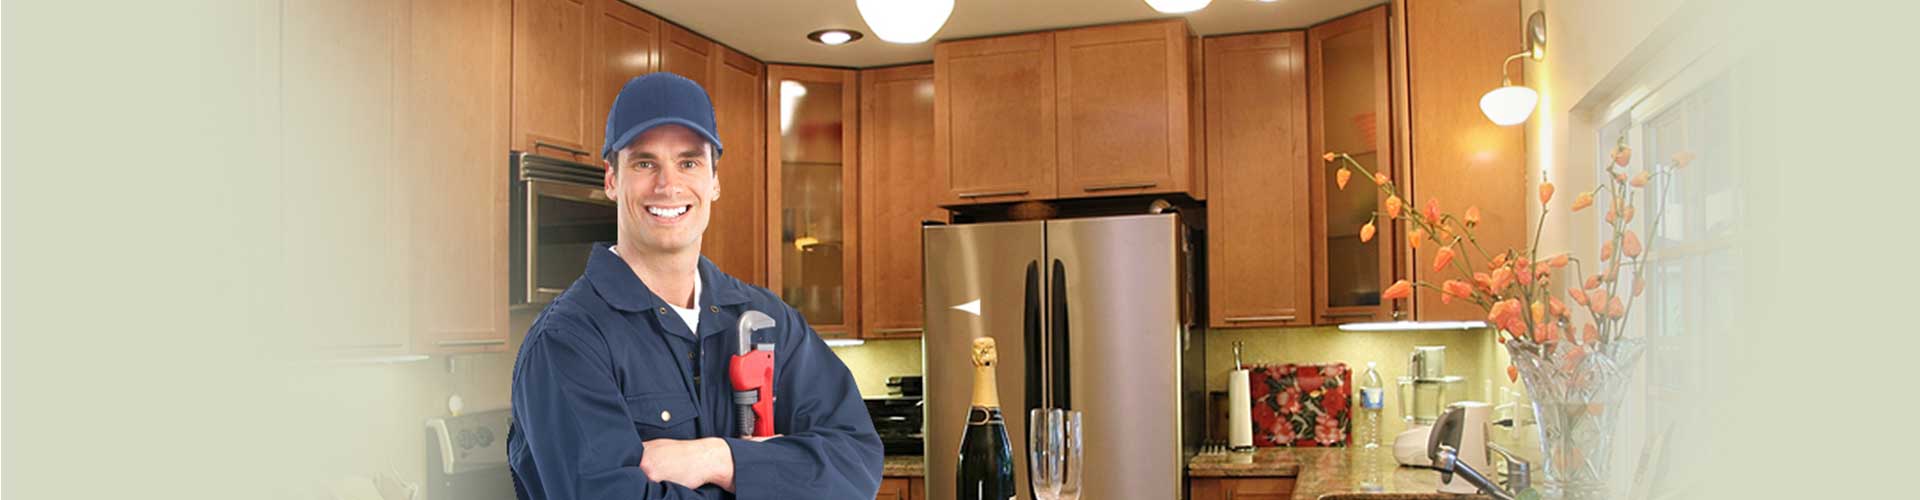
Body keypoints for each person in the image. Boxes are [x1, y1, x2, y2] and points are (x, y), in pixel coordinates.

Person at [506, 72, 882, 500]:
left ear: (714, 180)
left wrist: (719, 459)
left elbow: (857, 463)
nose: (668, 185)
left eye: (688, 163)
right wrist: (779, 476)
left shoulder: (767, 320)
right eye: (645, 163)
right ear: (611, 179)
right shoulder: (568, 341)